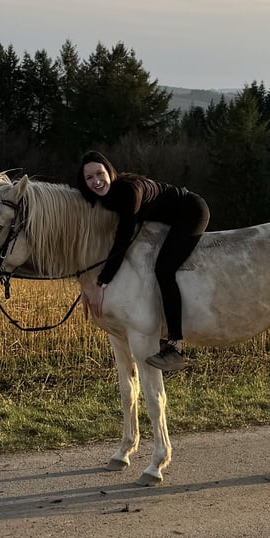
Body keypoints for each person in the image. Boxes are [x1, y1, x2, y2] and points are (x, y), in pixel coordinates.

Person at [76, 150, 210, 372]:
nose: (96, 181)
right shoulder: (100, 199)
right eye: (89, 178)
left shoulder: (129, 192)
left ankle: (174, 346)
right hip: (166, 221)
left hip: (190, 212)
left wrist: (101, 284)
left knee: (164, 270)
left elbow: (122, 240)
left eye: (100, 173)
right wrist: (87, 283)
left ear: (109, 171)